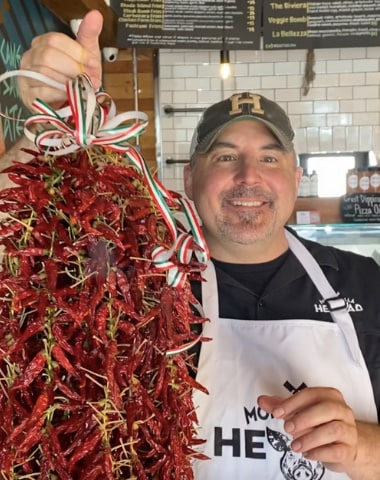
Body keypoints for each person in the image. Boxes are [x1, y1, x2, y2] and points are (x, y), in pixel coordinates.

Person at [18, 10, 380, 480]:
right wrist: (53, 120)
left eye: (268, 158)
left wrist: (363, 448)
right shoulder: (134, 287)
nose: (248, 177)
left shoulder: (368, 286)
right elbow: (28, 243)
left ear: (294, 178)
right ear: (191, 179)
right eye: (226, 156)